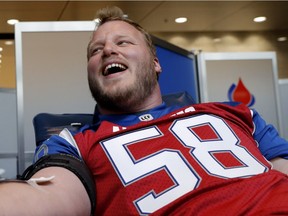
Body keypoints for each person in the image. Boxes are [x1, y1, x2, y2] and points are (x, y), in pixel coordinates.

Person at [1, 6, 288, 215]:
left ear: (155, 63)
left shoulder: (232, 113)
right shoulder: (73, 143)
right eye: (95, 50)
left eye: (122, 42)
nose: (108, 51)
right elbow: (48, 197)